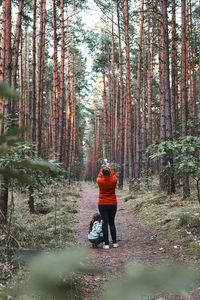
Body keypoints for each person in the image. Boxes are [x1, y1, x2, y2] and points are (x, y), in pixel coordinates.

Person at [97, 162, 118, 249]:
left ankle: (106, 244)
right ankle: (115, 243)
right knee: (112, 223)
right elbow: (113, 175)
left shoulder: (100, 181)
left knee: (104, 223)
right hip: (113, 203)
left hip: (102, 203)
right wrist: (109, 166)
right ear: (109, 172)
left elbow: (99, 175)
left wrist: (103, 168)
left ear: (102, 172)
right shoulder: (114, 180)